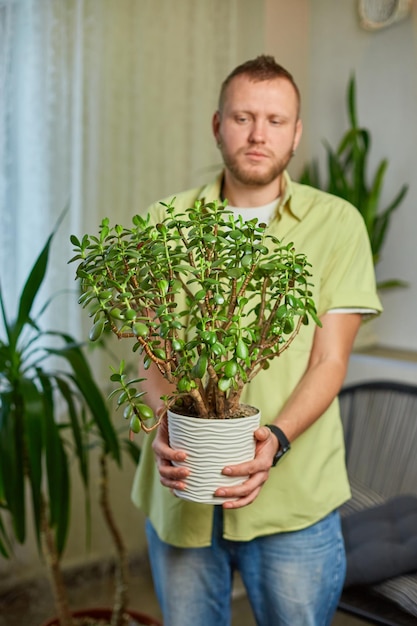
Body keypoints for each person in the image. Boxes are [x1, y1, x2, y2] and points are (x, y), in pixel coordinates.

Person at [131, 55, 382, 626]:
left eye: (274, 119)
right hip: (182, 491)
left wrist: (275, 437)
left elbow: (329, 357)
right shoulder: (163, 222)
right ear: (218, 125)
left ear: (295, 133)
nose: (257, 133)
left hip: (294, 501)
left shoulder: (337, 223)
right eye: (243, 117)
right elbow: (149, 350)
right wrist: (166, 418)